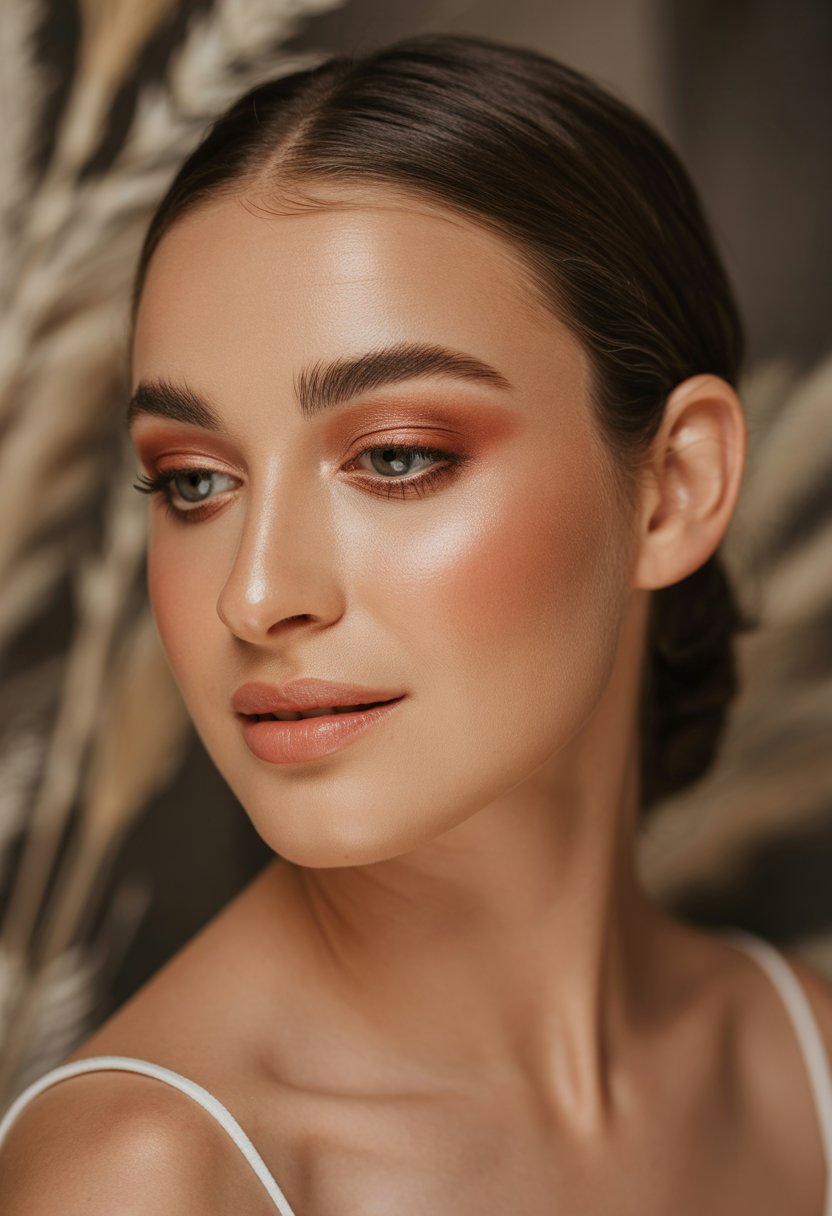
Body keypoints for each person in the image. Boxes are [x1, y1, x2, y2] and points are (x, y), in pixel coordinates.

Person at [1, 31, 831, 1215]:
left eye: (394, 457)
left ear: (674, 487)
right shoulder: (146, 1175)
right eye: (192, 479)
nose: (254, 593)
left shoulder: (808, 1062)